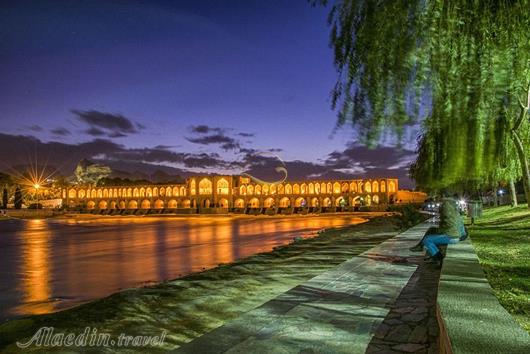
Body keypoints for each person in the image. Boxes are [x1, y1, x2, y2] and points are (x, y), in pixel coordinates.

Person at [410, 194, 468, 266]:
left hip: (452, 237)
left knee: (427, 240)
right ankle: (421, 247)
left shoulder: (447, 209)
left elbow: (448, 227)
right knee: (432, 230)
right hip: (456, 235)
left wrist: (439, 231)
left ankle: (438, 259)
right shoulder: (454, 210)